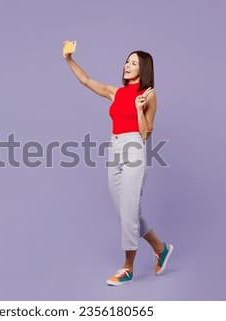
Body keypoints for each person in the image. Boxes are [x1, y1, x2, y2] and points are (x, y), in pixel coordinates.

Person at [63, 42, 173, 286]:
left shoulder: (149, 94)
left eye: (133, 63)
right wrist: (69, 59)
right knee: (125, 210)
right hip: (114, 148)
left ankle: (128, 268)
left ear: (143, 69)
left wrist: (137, 111)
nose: (127, 65)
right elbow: (87, 81)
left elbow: (146, 132)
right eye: (127, 61)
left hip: (135, 147)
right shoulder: (116, 92)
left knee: (129, 210)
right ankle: (160, 247)